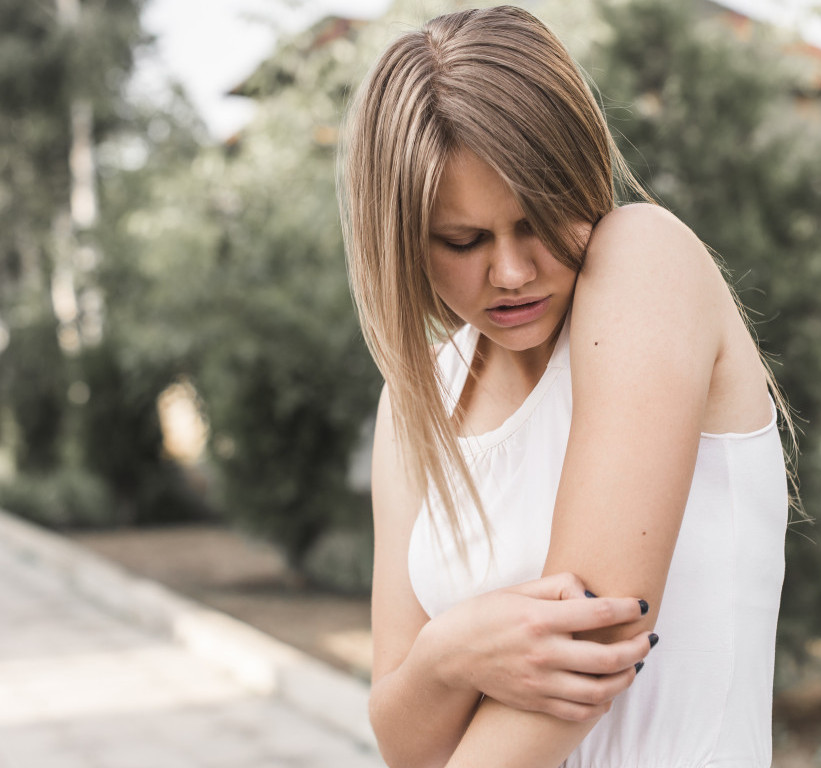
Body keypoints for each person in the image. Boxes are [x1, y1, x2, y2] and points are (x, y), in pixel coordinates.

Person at [338, 6, 791, 767]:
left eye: (539, 220)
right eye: (463, 240)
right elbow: (402, 740)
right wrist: (449, 653)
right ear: (404, 238)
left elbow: (594, 646)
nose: (511, 272)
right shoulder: (418, 402)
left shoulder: (647, 262)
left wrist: (444, 669)